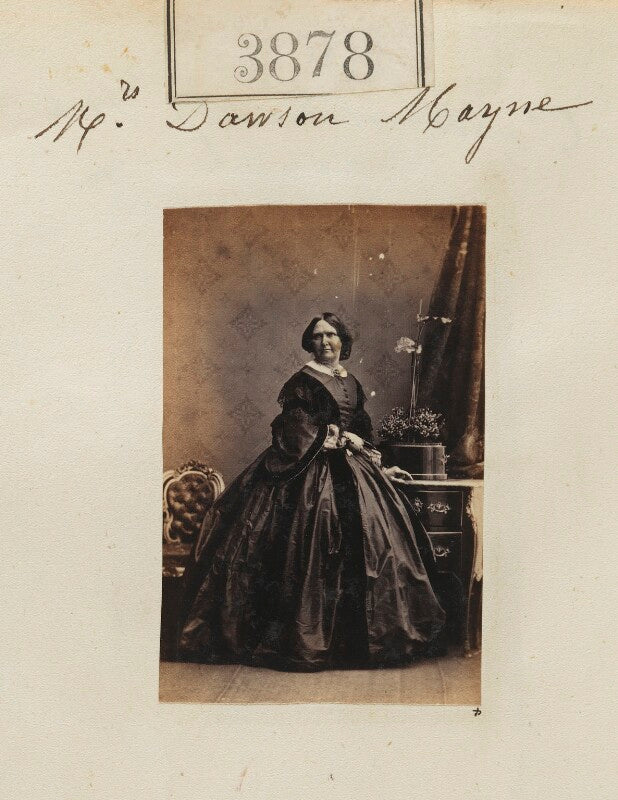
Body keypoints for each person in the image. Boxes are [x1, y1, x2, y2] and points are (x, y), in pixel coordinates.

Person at [178, 313, 445, 670]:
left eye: (331, 334)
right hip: (309, 472)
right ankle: (306, 637)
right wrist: (337, 437)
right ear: (310, 343)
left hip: (354, 469)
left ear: (342, 340)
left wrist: (378, 464)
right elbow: (296, 430)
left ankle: (364, 640)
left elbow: (362, 429)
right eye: (318, 336)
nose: (325, 342)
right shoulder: (302, 382)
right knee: (304, 544)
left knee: (376, 543)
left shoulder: (351, 382)